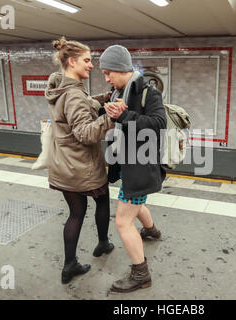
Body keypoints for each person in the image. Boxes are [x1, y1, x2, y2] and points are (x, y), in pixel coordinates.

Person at [45, 37, 125, 284]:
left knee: (75, 214)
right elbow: (85, 133)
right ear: (72, 61)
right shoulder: (74, 95)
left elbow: (83, 105)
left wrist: (104, 98)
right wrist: (112, 117)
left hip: (62, 166)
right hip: (82, 167)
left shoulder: (62, 88)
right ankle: (102, 243)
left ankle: (69, 265)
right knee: (102, 201)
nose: (91, 65)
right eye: (87, 61)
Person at [100, 45, 166, 293]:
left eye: (108, 72)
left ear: (120, 68)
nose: (106, 78)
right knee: (136, 204)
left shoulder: (149, 93)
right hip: (130, 166)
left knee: (122, 222)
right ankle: (151, 231)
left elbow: (159, 124)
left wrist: (124, 117)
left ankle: (141, 275)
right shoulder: (118, 93)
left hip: (142, 166)